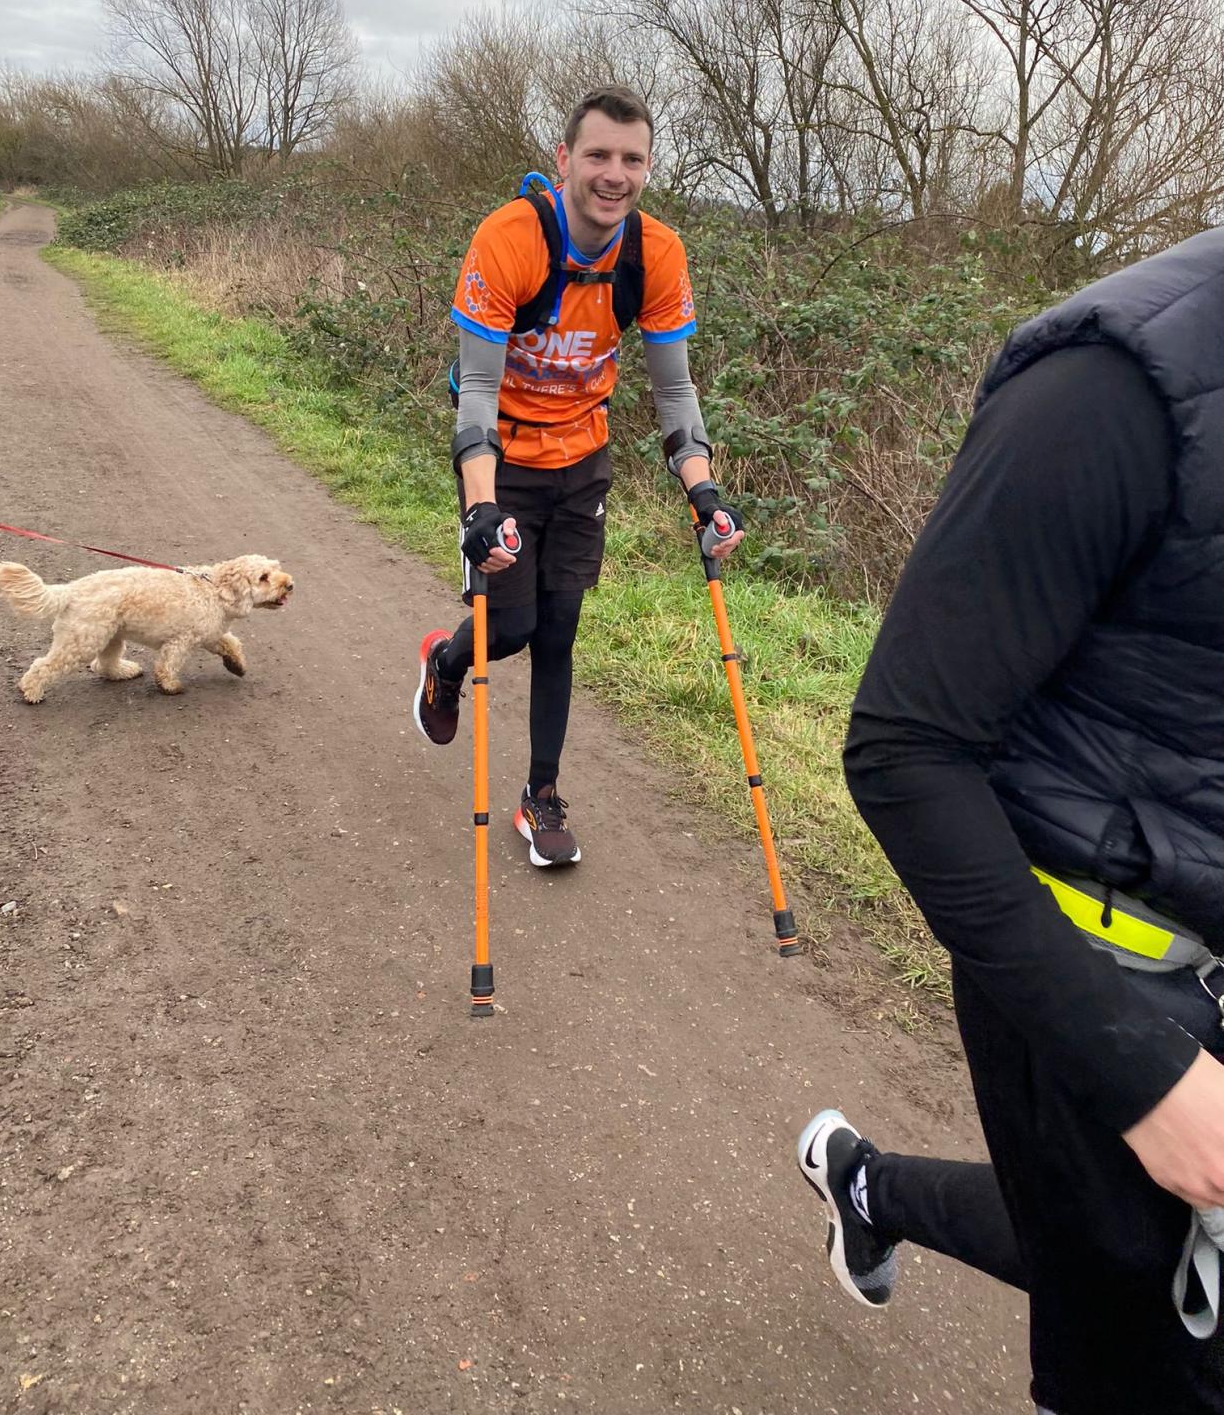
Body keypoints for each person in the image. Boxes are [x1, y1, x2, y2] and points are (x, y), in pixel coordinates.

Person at [795, 228, 1224, 1414]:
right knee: (1128, 1329)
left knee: (1119, 1269)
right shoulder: (1109, 392)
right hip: (1112, 976)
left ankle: (866, 1186)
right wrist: (1146, 1080)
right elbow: (905, 748)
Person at [413, 85, 744, 866]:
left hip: (582, 458)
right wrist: (482, 510)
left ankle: (541, 796)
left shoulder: (655, 253)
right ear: (564, 159)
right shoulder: (509, 239)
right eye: (598, 154)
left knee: (560, 630)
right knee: (516, 627)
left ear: (648, 167)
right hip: (505, 458)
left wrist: (703, 491)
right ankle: (445, 662)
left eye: (632, 159)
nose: (614, 173)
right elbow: (479, 392)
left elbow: (673, 390)